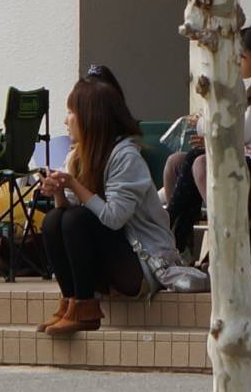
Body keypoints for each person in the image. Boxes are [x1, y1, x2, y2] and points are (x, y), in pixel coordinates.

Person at [36, 75, 178, 336]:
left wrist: (73, 184)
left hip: (143, 264)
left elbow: (113, 218)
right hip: (114, 258)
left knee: (76, 218)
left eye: (71, 112)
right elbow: (70, 213)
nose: (66, 120)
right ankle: (71, 303)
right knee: (54, 219)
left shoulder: (126, 157)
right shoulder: (78, 155)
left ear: (90, 118)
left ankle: (85, 308)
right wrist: (59, 193)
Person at [165, 24, 251, 252]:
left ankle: (197, 233)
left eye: (241, 57)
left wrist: (204, 126)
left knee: (200, 162)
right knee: (176, 162)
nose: (236, 62)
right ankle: (178, 234)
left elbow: (240, 133)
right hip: (247, 157)